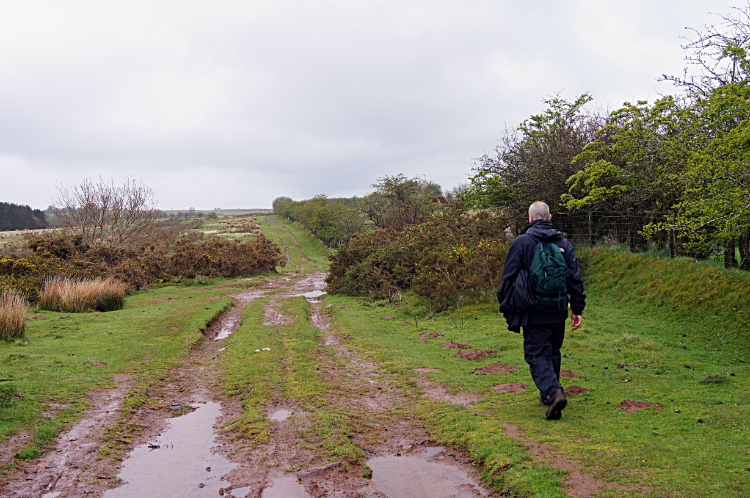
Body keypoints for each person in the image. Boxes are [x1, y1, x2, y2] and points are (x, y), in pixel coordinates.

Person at [497, 201, 585, 420]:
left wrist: (504, 304)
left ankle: (554, 392)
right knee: (553, 351)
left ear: (530, 218)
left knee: (537, 353)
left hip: (532, 309)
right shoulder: (564, 242)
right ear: (549, 217)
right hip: (557, 308)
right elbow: (574, 277)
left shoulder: (523, 242)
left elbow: (508, 277)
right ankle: (549, 396)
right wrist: (577, 308)